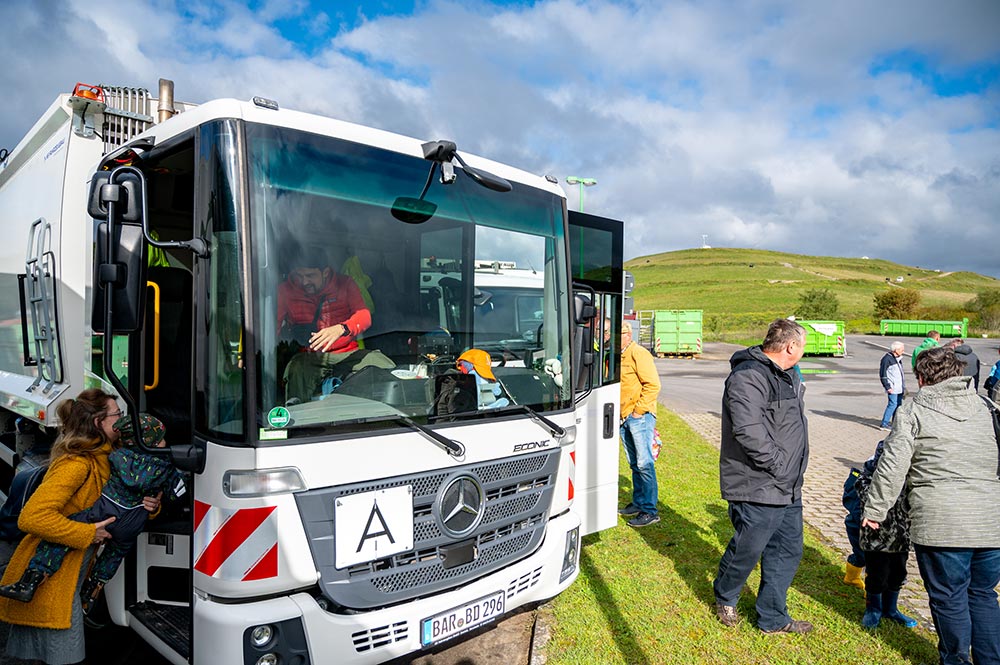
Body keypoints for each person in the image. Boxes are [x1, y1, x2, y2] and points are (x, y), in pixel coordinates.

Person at [0, 389, 160, 665]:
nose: (123, 420)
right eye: (117, 414)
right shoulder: (76, 465)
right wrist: (88, 533)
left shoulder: (110, 458)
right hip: (53, 582)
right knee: (66, 656)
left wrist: (151, 506)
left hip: (71, 579)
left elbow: (123, 505)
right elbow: (32, 517)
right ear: (98, 422)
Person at [863, 347, 1000, 664]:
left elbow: (892, 466)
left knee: (949, 597)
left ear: (922, 378)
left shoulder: (912, 411)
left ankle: (955, 660)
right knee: (983, 595)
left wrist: (875, 509)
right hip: (990, 522)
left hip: (942, 524)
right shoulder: (987, 406)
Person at [0, 414, 183, 612]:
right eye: (162, 439)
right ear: (153, 444)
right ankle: (92, 591)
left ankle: (32, 580)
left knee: (60, 537)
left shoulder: (117, 457)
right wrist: (160, 497)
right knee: (114, 555)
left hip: (104, 514)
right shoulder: (167, 468)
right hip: (132, 523)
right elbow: (176, 494)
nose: (165, 442)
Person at [714, 319, 812, 634]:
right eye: (803, 346)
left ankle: (772, 617)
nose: (803, 352)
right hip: (758, 481)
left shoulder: (787, 374)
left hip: (787, 484)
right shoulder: (749, 375)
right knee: (749, 548)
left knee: (787, 549)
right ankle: (725, 595)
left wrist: (790, 470)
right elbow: (748, 430)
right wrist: (779, 464)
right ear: (791, 346)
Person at [277, 249, 391, 403]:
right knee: (295, 369)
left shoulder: (345, 284)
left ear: (325, 272)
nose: (304, 282)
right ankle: (295, 415)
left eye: (310, 276)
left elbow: (364, 317)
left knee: (386, 366)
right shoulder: (286, 291)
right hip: (309, 356)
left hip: (348, 353)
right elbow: (272, 327)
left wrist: (341, 328)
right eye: (300, 276)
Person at [855, 440, 918, 630]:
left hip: (902, 532)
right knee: (877, 572)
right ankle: (873, 609)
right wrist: (875, 501)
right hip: (877, 532)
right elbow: (862, 483)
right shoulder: (884, 449)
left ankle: (891, 608)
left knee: (898, 572)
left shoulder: (918, 455)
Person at [617, 322, 662, 528]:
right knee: (635, 463)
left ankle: (650, 511)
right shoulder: (619, 355)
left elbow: (653, 385)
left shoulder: (638, 353)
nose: (612, 339)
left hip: (638, 417)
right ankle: (638, 502)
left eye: (618, 335)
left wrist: (638, 412)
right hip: (624, 417)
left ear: (628, 335)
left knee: (644, 463)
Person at [878, 341, 906, 430]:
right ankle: (884, 423)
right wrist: (887, 386)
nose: (903, 351)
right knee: (892, 404)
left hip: (899, 387)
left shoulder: (898, 359)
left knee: (898, 405)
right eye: (902, 349)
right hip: (892, 387)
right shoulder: (886, 359)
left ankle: (895, 422)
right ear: (896, 350)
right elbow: (883, 374)